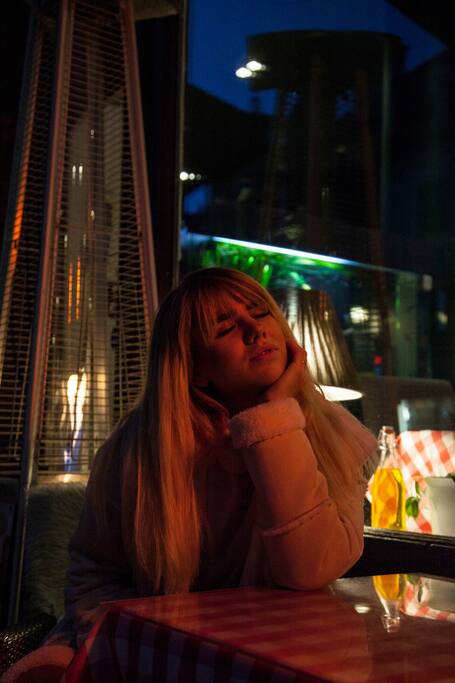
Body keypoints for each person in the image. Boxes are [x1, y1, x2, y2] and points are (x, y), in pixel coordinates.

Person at [2, 266, 377, 682]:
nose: (255, 330)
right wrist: (139, 646)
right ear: (196, 369)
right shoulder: (141, 448)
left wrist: (275, 419)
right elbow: (95, 576)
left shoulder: (334, 435)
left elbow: (311, 569)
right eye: (225, 328)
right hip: (160, 652)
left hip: (289, 649)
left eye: (260, 313)